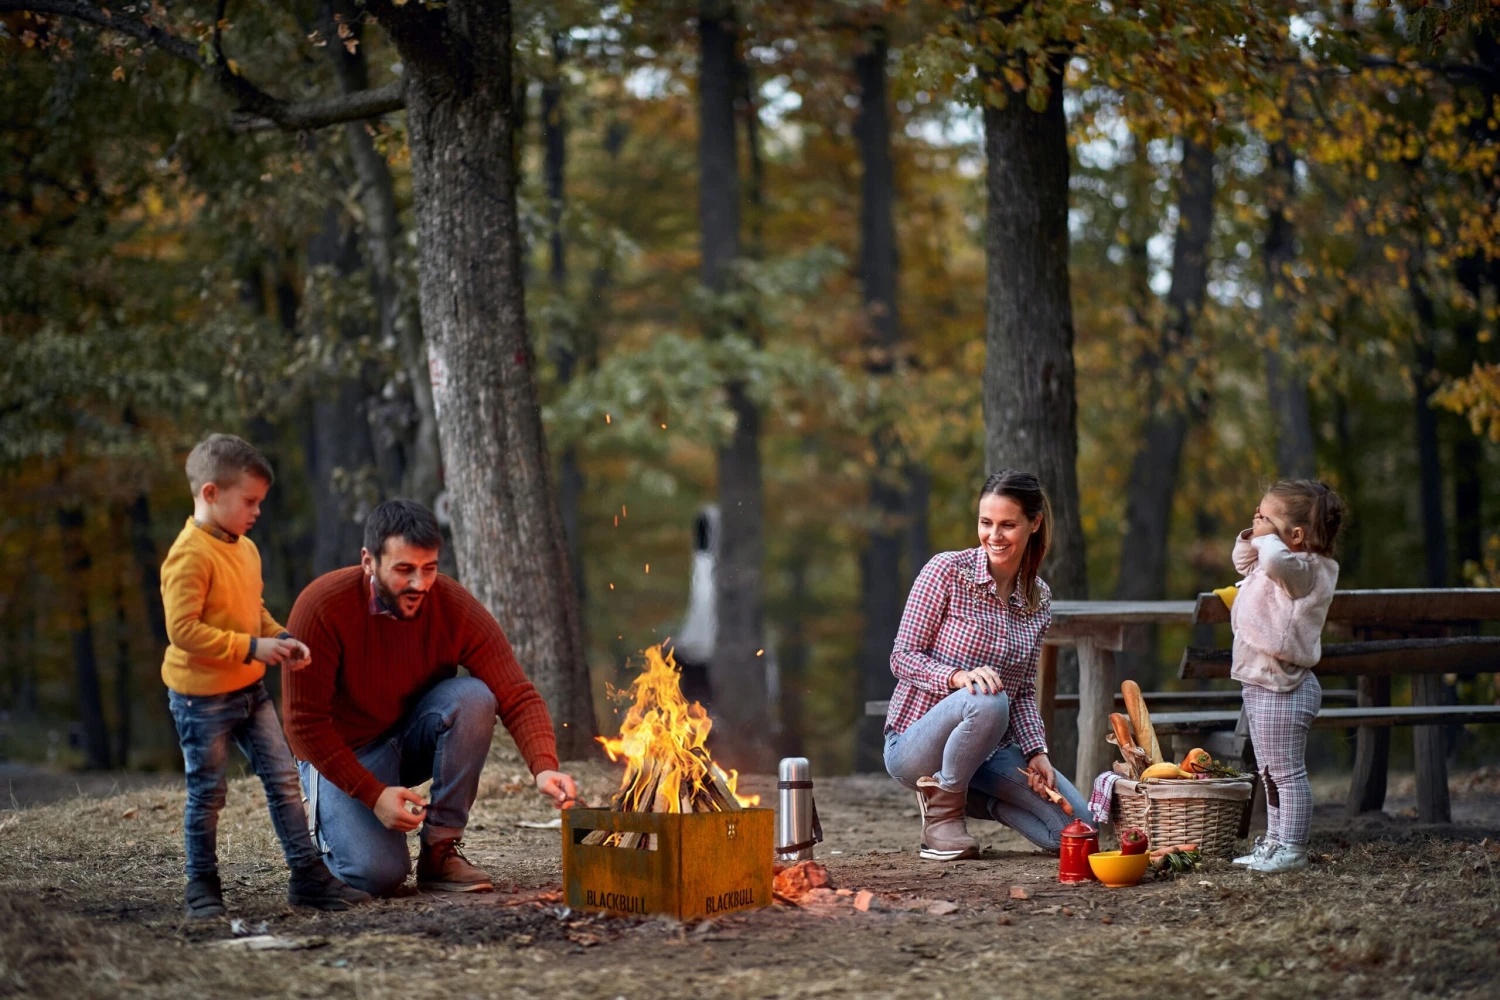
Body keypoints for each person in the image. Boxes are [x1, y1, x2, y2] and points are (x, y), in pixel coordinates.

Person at [284, 499, 577, 897]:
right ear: (369, 561)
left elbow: (515, 691)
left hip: (407, 737)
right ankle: (325, 823)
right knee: (378, 876)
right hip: (341, 754)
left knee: (474, 696)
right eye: (404, 570)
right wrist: (373, 795)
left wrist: (544, 766)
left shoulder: (450, 605)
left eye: (429, 569)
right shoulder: (321, 606)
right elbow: (303, 726)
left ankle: (440, 851)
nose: (419, 584)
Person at [160, 434, 371, 918]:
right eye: (249, 501)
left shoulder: (246, 549)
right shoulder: (189, 555)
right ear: (211, 493)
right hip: (201, 698)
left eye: (260, 502)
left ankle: (309, 877)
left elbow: (248, 609)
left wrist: (279, 634)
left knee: (283, 781)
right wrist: (254, 647)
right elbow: (184, 631)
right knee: (208, 793)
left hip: (249, 691)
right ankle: (202, 886)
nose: (256, 511)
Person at [883, 470, 1088, 860]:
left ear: (1034, 523)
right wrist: (958, 677)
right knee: (988, 699)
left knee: (1076, 831)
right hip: (915, 743)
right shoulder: (946, 571)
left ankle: (968, 798)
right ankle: (941, 821)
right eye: (986, 522)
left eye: (1008, 524)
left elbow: (1024, 690)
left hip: (988, 752)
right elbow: (902, 657)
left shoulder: (1038, 599)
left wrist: (1035, 752)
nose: (994, 535)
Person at [1229, 480, 1343, 874]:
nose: (1257, 520)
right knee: (1268, 773)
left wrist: (1267, 540)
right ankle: (1275, 843)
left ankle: (1292, 847)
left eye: (1266, 517)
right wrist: (1254, 534)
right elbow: (1243, 561)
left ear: (1295, 536)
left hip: (1284, 686)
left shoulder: (1305, 570)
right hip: (1263, 682)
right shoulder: (1276, 559)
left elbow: (1274, 561)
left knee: (1286, 773)